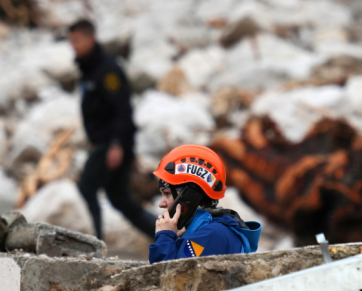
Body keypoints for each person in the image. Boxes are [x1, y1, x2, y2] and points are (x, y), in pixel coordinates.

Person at [67, 19, 156, 241]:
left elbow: (122, 109)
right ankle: (169, 236)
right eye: (71, 41)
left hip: (112, 144)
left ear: (90, 39)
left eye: (76, 40)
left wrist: (116, 144)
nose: (73, 46)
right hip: (105, 143)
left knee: (87, 187)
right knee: (121, 200)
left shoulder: (107, 71)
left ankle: (94, 243)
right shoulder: (89, 68)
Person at [149, 144, 261, 263]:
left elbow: (167, 272)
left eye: (167, 193)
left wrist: (165, 236)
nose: (161, 204)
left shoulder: (211, 235)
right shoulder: (206, 231)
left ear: (189, 195)